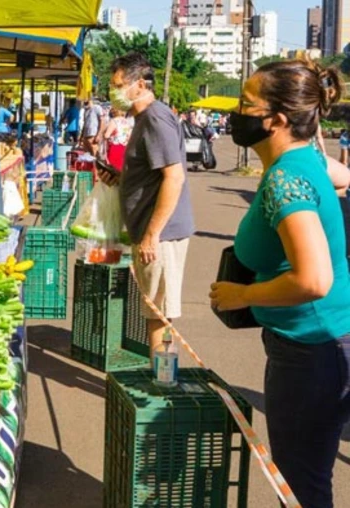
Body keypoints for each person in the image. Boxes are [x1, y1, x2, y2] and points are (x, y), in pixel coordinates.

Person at [209, 59, 350, 508]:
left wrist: (243, 295)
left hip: (310, 354)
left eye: (246, 105)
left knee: (303, 488)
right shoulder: (304, 161)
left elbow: (313, 279)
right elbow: (344, 177)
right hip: (328, 342)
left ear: (277, 120)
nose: (236, 112)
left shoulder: (285, 180)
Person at [100, 52, 195, 362]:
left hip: (161, 235)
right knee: (154, 308)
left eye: (117, 86)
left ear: (139, 85)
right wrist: (119, 177)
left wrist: (152, 234)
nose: (112, 92)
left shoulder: (154, 117)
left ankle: (164, 381)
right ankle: (162, 375)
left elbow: (174, 177)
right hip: (151, 231)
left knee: (160, 312)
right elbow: (152, 174)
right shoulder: (144, 119)